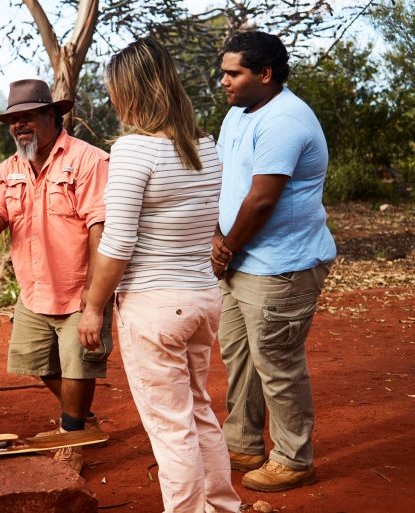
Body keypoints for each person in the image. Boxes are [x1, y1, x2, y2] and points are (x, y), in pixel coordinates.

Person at [77, 39, 241, 513]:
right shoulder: (204, 147)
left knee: (171, 426)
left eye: (114, 90)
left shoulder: (133, 151)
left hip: (154, 305)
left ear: (134, 91)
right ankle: (222, 506)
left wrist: (92, 307)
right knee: (199, 411)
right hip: (202, 299)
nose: (110, 100)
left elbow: (117, 243)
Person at [0, 79, 112, 473]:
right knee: (37, 362)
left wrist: (94, 296)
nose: (19, 125)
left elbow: (100, 227)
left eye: (27, 116)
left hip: (80, 286)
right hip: (33, 289)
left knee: (77, 364)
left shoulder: (88, 160)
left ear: (52, 115)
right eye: (13, 119)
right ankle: (82, 419)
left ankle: (71, 434)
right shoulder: (7, 170)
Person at [212, 32, 336, 492]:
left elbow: (262, 200)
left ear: (264, 74)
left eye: (233, 73)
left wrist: (224, 248)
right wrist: (217, 237)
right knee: (240, 356)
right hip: (242, 260)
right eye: (223, 71)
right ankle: (243, 442)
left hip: (279, 266)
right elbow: (226, 183)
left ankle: (295, 459)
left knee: (278, 363)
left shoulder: (285, 120)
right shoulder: (237, 114)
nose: (222, 81)